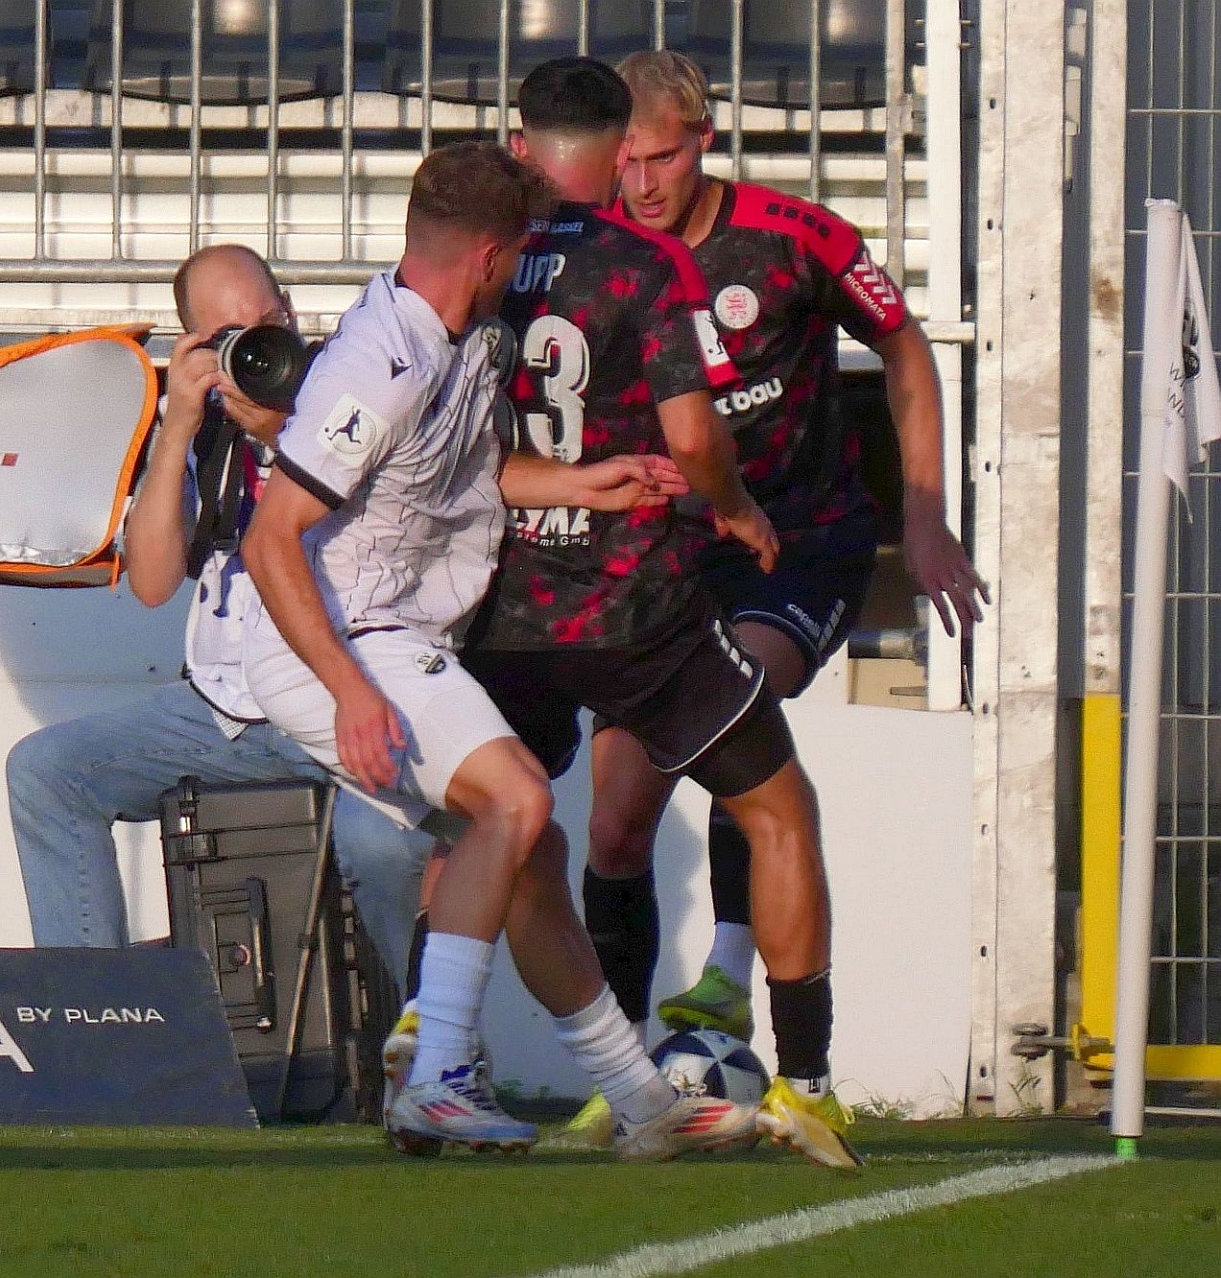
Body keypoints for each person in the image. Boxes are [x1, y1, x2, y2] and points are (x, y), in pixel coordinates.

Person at [243, 140, 756, 1162]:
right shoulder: (378, 365)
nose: (520, 270)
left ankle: (640, 1103)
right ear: (488, 256)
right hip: (337, 643)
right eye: (516, 253)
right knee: (518, 798)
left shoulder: (461, 341)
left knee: (533, 852)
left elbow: (469, 477)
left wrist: (587, 482)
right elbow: (271, 538)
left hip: (391, 638)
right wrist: (349, 690)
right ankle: (437, 1075)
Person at [453, 57, 861, 1168]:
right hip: (635, 608)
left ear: (523, 143)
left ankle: (460, 1053)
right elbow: (691, 437)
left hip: (508, 607)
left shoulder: (479, 262)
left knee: (510, 828)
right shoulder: (640, 264)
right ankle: (808, 1086)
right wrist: (735, 507)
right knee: (778, 809)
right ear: (612, 145)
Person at [563, 48, 988, 1105]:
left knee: (736, 696)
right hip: (659, 554)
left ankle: (736, 984)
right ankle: (621, 1078)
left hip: (798, 538)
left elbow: (906, 349)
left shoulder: (795, 238)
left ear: (705, 140)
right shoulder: (594, 251)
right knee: (615, 819)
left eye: (663, 160)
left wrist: (924, 513)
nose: (641, 185)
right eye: (625, 163)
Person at [4, 244, 438, 978]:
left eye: (270, 323)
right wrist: (176, 425)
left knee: (384, 843)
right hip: (218, 713)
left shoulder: (352, 400)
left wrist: (275, 431)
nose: (262, 350)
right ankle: (95, 1015)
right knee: (46, 771)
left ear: (291, 314)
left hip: (333, 704)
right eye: (234, 338)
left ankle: (405, 1035)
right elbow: (151, 583)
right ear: (199, 346)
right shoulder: (204, 431)